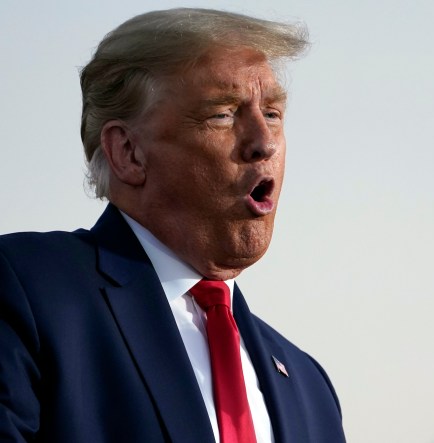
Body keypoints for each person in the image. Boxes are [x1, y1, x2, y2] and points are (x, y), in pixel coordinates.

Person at [0, 8, 345, 443]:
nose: (264, 141)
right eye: (222, 114)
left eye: (273, 113)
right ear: (128, 152)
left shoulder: (309, 387)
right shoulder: (27, 290)